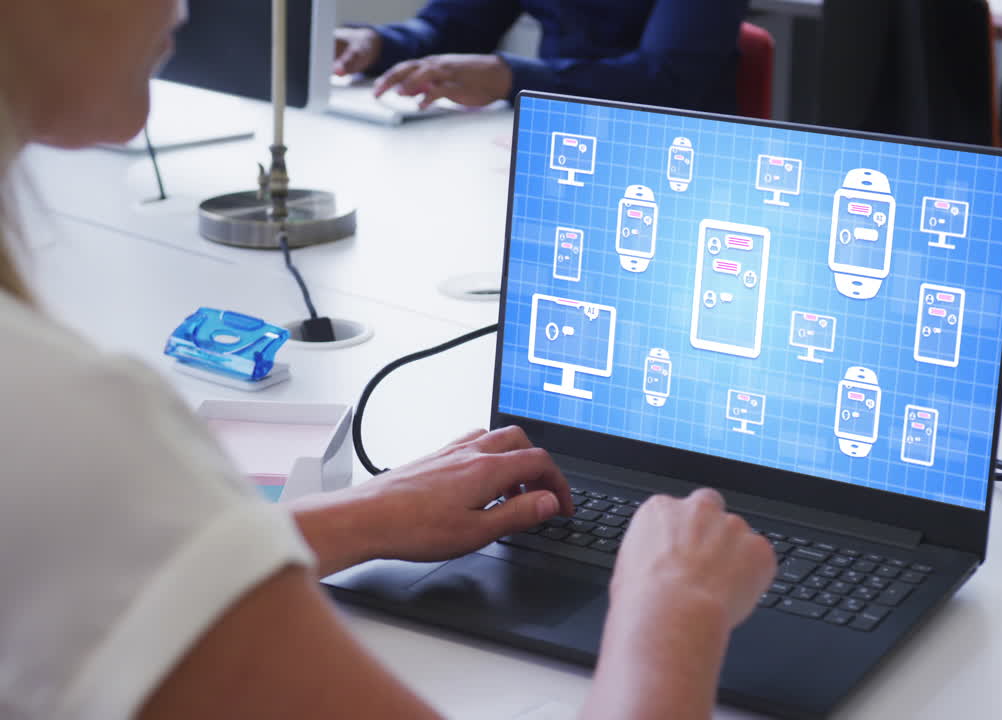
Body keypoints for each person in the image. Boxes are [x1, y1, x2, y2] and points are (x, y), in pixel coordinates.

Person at [0, 1, 776, 718]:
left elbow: (115, 567)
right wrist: (673, 607)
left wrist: (358, 517)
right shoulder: (67, 425)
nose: (184, 5)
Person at [333, 0, 748, 114]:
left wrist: (510, 77)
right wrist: (377, 43)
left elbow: (665, 83)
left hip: (670, 154)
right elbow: (453, 25)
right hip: (548, 138)